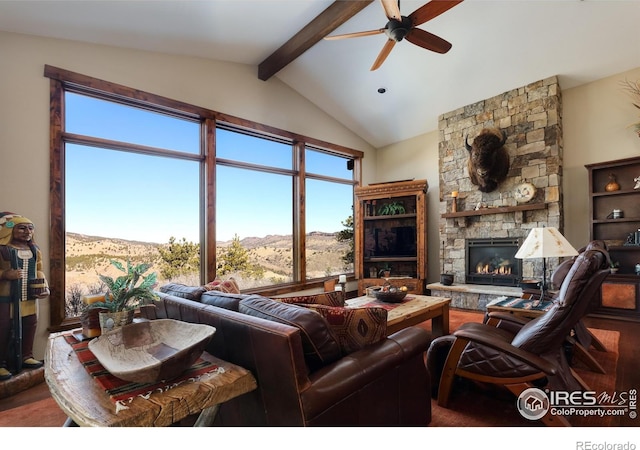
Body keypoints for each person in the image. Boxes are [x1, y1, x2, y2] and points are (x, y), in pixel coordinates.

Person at [0, 212, 49, 381]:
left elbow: (39, 268)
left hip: (29, 295)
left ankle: (26, 355)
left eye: (30, 228)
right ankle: (2, 363)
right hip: (7, 297)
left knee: (30, 323)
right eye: (22, 228)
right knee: (4, 327)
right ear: (10, 230)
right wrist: (6, 274)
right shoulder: (3, 250)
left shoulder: (34, 250)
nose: (27, 232)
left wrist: (43, 284)